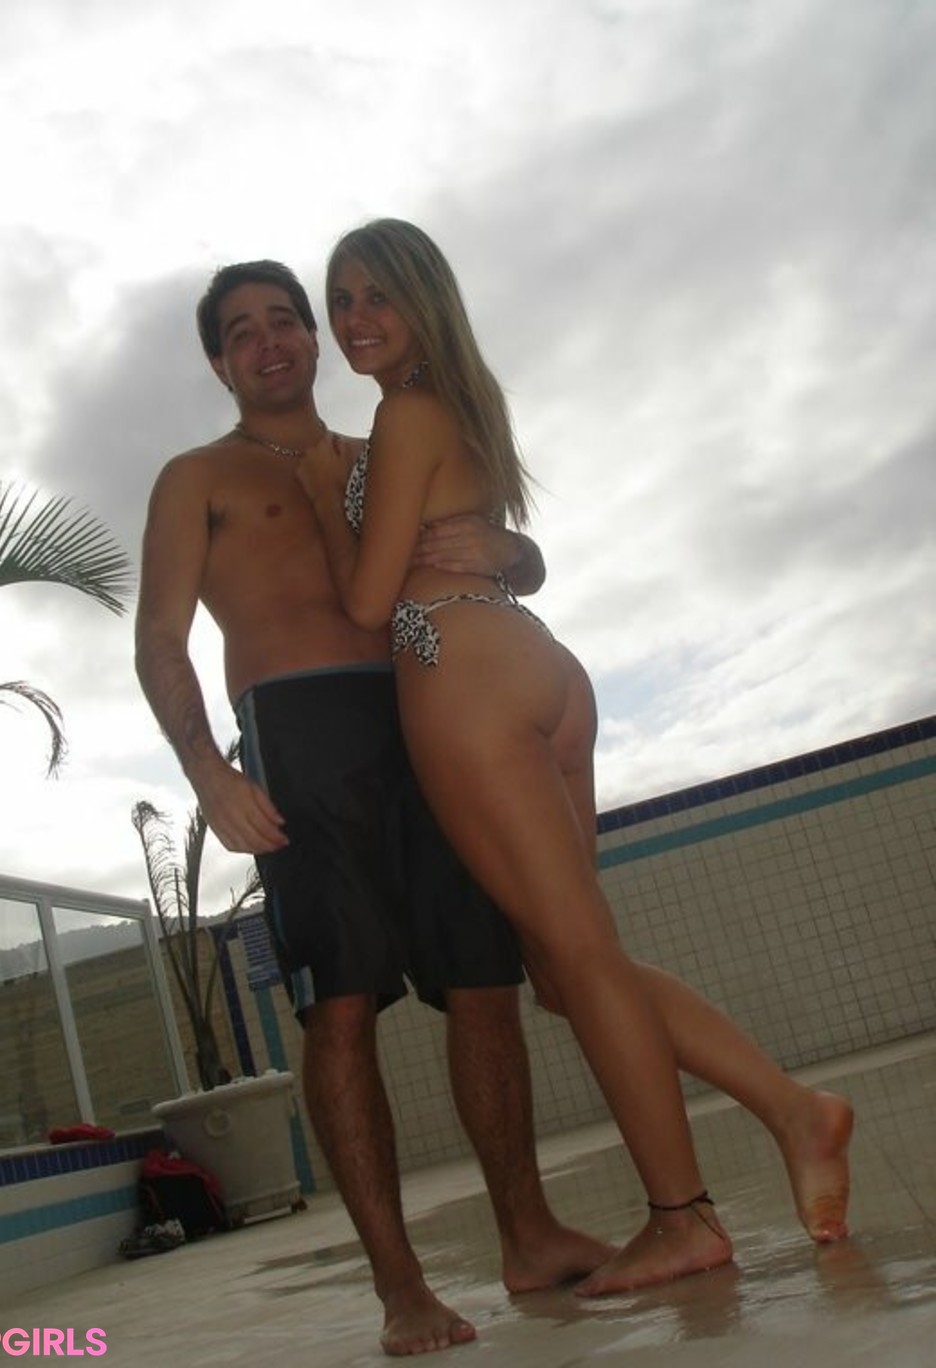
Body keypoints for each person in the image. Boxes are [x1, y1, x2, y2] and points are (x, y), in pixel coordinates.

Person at [294, 218, 854, 1297]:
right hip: (538, 670)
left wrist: (341, 524)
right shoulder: (462, 403)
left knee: (581, 963)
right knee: (566, 968)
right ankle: (796, 1113)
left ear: (423, 299)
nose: (356, 319)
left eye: (377, 295)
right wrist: (511, 551)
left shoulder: (405, 412)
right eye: (342, 300)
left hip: (462, 678)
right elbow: (501, 546)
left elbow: (367, 601)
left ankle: (682, 1218)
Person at [135, 258, 616, 1358]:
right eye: (243, 332)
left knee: (483, 980)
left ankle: (530, 1234)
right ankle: (402, 1287)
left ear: (316, 339)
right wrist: (209, 770)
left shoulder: (382, 450)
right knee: (340, 1006)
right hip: (299, 734)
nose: (270, 342)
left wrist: (517, 552)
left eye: (286, 321)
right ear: (218, 361)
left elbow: (499, 554)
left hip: (426, 706)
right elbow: (160, 635)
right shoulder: (195, 476)